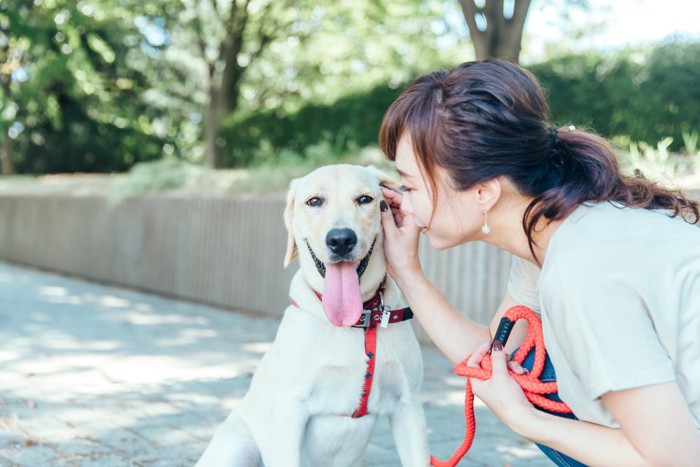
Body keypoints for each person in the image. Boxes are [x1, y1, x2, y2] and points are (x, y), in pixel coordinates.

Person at [377, 59, 700, 466]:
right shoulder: (558, 228)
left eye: (409, 185)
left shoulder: (582, 266)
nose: (402, 203)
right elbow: (492, 357)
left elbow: (673, 462)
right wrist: (406, 270)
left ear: (483, 193)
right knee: (521, 370)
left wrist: (524, 420)